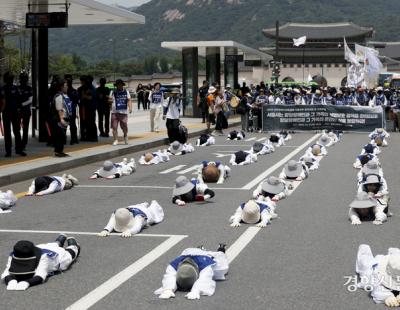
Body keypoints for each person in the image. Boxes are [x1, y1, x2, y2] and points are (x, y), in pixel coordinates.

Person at [1, 235, 80, 290]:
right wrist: (11, 281)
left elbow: (40, 275)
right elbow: (6, 273)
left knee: (70, 253)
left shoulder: (44, 257)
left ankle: (72, 244)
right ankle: (59, 241)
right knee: (51, 245)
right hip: (42, 247)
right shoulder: (14, 254)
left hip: (57, 258)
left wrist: (27, 283)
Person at [154, 245, 229, 300]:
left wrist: (196, 290)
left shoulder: (205, 264)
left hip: (204, 256)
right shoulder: (175, 264)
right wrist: (168, 289)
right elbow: (169, 275)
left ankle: (220, 249)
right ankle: (200, 249)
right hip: (189, 252)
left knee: (221, 264)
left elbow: (204, 279)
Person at [98, 201, 164, 237]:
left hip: (145, 212)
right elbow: (112, 221)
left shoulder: (139, 217)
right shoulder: (118, 212)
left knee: (154, 212)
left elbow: (137, 227)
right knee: (138, 206)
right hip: (131, 207)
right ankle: (143, 204)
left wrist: (130, 231)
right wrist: (106, 230)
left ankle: (146, 205)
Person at [1, 72, 25, 157]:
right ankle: (9, 151)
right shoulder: (2, 89)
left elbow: (20, 100)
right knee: (8, 132)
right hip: (7, 112)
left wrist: (19, 110)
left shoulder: (15, 88)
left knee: (16, 131)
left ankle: (18, 150)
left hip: (15, 112)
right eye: (10, 78)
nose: (11, 79)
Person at [50, 78, 72, 157]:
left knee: (62, 136)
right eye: (66, 85)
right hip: (59, 119)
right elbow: (59, 109)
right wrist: (62, 119)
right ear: (61, 87)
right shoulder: (59, 96)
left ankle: (60, 151)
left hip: (64, 118)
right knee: (60, 136)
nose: (67, 87)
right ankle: (57, 151)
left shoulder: (64, 95)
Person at [109, 79, 132, 146]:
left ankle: (125, 135)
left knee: (124, 126)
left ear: (122, 85)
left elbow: (129, 100)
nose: (119, 86)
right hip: (114, 112)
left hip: (123, 112)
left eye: (120, 84)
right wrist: (109, 101)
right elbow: (109, 101)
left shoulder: (126, 92)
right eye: (117, 85)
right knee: (114, 127)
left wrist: (130, 108)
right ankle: (116, 139)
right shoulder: (112, 92)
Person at [18, 72, 32, 151]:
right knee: (17, 128)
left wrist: (22, 104)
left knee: (25, 128)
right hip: (19, 111)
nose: (23, 80)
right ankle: (19, 143)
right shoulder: (17, 88)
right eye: (22, 78)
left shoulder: (29, 88)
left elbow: (30, 100)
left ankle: (23, 144)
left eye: (25, 78)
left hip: (26, 110)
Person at [64, 74, 79, 145]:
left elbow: (76, 101)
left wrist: (74, 108)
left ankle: (74, 139)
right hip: (64, 110)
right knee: (64, 125)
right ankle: (64, 139)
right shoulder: (63, 91)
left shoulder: (74, 91)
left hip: (71, 110)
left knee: (72, 125)